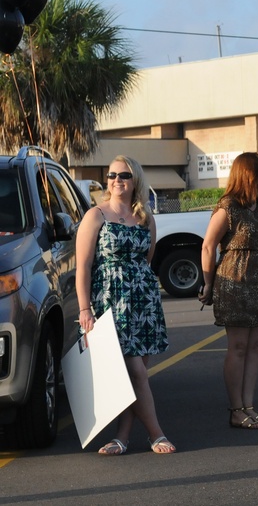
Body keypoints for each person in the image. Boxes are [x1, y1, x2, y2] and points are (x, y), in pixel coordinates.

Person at [76, 156, 175, 455]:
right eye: (112, 175)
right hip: (109, 302)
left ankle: (122, 437)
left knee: (132, 375)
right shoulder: (95, 215)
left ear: (135, 182)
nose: (117, 180)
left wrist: (137, 289)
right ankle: (157, 434)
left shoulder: (145, 218)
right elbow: (83, 266)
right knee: (136, 373)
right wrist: (84, 310)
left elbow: (147, 260)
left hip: (142, 302)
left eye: (125, 175)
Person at [200, 152, 258, 430]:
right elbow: (208, 245)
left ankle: (249, 407)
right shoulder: (228, 206)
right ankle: (236, 410)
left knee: (255, 347)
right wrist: (208, 283)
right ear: (250, 174)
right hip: (234, 280)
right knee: (237, 347)